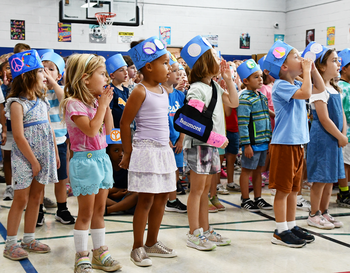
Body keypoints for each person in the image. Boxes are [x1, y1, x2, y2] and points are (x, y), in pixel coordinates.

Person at [120, 36, 177, 267]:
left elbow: (163, 121)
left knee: (162, 198)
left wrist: (169, 142)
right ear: (149, 66)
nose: (169, 67)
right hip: (146, 151)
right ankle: (137, 247)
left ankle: (152, 242)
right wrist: (127, 152)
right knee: (145, 200)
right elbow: (125, 123)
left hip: (163, 151)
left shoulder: (164, 91)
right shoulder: (140, 91)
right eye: (164, 63)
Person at [61, 54, 121, 273]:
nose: (106, 77)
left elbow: (109, 129)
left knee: (99, 211)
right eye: (102, 74)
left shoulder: (96, 102)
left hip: (101, 158)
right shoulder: (73, 104)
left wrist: (106, 106)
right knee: (85, 214)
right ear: (86, 78)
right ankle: (81, 256)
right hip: (84, 163)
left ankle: (100, 252)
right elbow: (91, 129)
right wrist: (103, 105)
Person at [180, 35, 238, 251]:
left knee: (205, 190)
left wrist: (229, 80)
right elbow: (189, 121)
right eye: (214, 55)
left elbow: (233, 102)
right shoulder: (196, 89)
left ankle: (205, 230)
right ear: (205, 62)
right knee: (196, 190)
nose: (219, 58)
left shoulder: (214, 86)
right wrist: (215, 138)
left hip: (212, 147)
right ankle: (193, 232)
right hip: (199, 146)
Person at [264, 40, 323, 248]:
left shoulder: (296, 82)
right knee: (282, 190)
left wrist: (312, 70)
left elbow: (319, 88)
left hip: (297, 144)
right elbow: (307, 93)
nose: (302, 60)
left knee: (293, 191)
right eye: (296, 57)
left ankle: (290, 225)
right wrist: (306, 71)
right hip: (284, 144)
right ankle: (280, 231)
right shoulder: (280, 85)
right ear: (284, 66)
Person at [3, 49, 59, 261]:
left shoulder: (42, 101)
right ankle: (10, 244)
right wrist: (33, 161)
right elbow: (18, 136)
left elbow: (49, 129)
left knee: (37, 198)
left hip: (43, 156)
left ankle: (29, 239)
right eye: (40, 72)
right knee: (21, 199)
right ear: (28, 77)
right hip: (25, 159)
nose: (45, 76)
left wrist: (54, 153)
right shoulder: (17, 104)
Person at [302, 43, 346, 229]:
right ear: (321, 66)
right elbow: (324, 119)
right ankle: (314, 214)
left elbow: (341, 114)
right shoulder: (318, 90)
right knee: (320, 178)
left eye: (338, 60)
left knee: (330, 178)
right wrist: (340, 136)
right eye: (334, 61)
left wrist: (343, 133)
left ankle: (325, 211)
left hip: (335, 138)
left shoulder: (335, 88)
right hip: (323, 138)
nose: (338, 64)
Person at [40, 51, 75, 225]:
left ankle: (62, 208)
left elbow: (65, 102)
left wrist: (53, 83)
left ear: (59, 75)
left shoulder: (61, 90)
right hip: (39, 144)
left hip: (60, 143)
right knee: (39, 179)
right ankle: (38, 209)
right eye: (42, 68)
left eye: (51, 69)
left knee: (61, 178)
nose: (46, 72)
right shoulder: (36, 92)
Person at [236, 59, 273, 212]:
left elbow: (266, 117)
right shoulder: (244, 98)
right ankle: (245, 198)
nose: (260, 80)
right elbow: (243, 123)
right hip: (251, 143)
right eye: (256, 77)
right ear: (246, 81)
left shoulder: (262, 97)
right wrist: (246, 144)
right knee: (246, 170)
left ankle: (258, 198)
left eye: (261, 76)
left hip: (263, 141)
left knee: (258, 171)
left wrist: (269, 138)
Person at [162, 52, 187, 212]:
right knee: (165, 171)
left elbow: (184, 119)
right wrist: (165, 139)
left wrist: (181, 139)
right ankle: (163, 199)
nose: (179, 73)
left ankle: (172, 200)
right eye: (175, 70)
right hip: (164, 141)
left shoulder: (180, 95)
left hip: (177, 141)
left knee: (175, 170)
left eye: (179, 70)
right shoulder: (159, 94)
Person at [105, 142, 138, 215]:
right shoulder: (105, 167)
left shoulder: (130, 166)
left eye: (123, 151)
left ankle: (109, 210)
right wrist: (117, 191)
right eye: (116, 151)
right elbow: (100, 189)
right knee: (94, 196)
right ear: (108, 152)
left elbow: (133, 189)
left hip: (126, 197)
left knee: (138, 195)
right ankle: (123, 207)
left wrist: (122, 193)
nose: (121, 154)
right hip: (108, 198)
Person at [337, 48, 350, 207]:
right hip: (345, 132)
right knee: (345, 164)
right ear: (344, 68)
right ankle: (344, 192)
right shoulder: (341, 87)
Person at [105, 53, 129, 128]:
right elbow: (109, 112)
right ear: (112, 75)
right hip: (115, 128)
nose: (126, 73)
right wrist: (112, 130)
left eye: (126, 69)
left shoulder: (126, 90)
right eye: (121, 70)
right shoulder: (110, 89)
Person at [0, 53, 11, 200]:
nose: (10, 70)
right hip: (7, 127)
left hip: (21, 127)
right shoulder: (2, 86)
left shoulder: (22, 82)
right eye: (7, 68)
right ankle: (9, 187)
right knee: (7, 157)